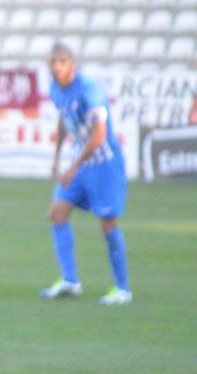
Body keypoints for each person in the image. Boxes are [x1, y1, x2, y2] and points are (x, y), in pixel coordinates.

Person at [40, 43, 132, 305]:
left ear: (72, 64)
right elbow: (63, 120)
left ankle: (122, 288)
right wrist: (57, 158)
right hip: (80, 165)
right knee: (57, 213)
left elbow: (100, 134)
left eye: (62, 61)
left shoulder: (89, 89)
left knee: (107, 223)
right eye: (53, 62)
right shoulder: (56, 90)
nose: (57, 66)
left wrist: (72, 166)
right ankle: (70, 281)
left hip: (104, 164)